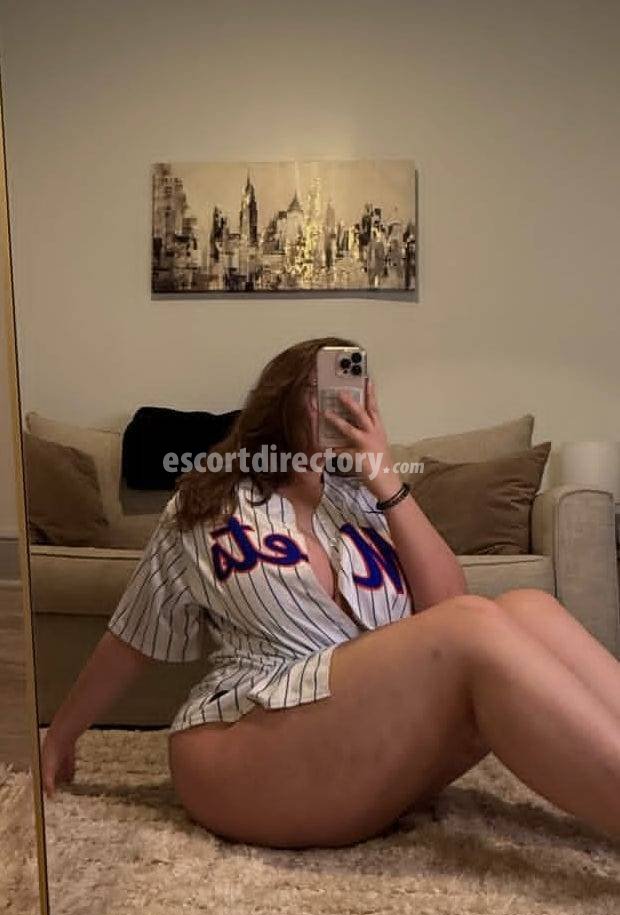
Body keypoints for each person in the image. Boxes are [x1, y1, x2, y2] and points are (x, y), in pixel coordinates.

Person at [41, 337, 620, 850]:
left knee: (526, 607)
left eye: (353, 390)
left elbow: (447, 605)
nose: (342, 405)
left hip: (359, 738)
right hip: (244, 738)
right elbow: (135, 632)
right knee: (473, 624)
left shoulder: (366, 499)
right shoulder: (205, 505)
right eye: (322, 391)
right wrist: (61, 735)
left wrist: (384, 479)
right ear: (278, 404)